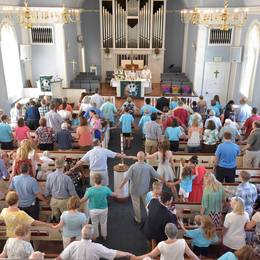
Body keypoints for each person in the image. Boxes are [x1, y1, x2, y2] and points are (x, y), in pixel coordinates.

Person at [119, 151, 162, 223]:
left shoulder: (132, 167)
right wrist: (167, 181)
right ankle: (150, 217)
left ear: (137, 157)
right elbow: (157, 176)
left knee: (136, 205)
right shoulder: (149, 167)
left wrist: (120, 187)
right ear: (144, 157)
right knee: (147, 204)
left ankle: (138, 219)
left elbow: (126, 178)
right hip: (145, 189)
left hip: (134, 190)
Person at [56, 224, 134, 260]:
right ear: (92, 236)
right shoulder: (97, 247)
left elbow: (59, 258)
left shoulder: (73, 245)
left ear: (81, 234)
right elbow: (113, 253)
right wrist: (127, 253)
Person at [81, 174, 117, 240]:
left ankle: (96, 236)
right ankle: (104, 236)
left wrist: (77, 202)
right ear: (102, 181)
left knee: (94, 223)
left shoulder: (90, 190)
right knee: (103, 222)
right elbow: (113, 194)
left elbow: (84, 199)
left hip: (93, 210)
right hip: (103, 209)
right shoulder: (105, 189)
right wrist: (118, 191)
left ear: (93, 181)